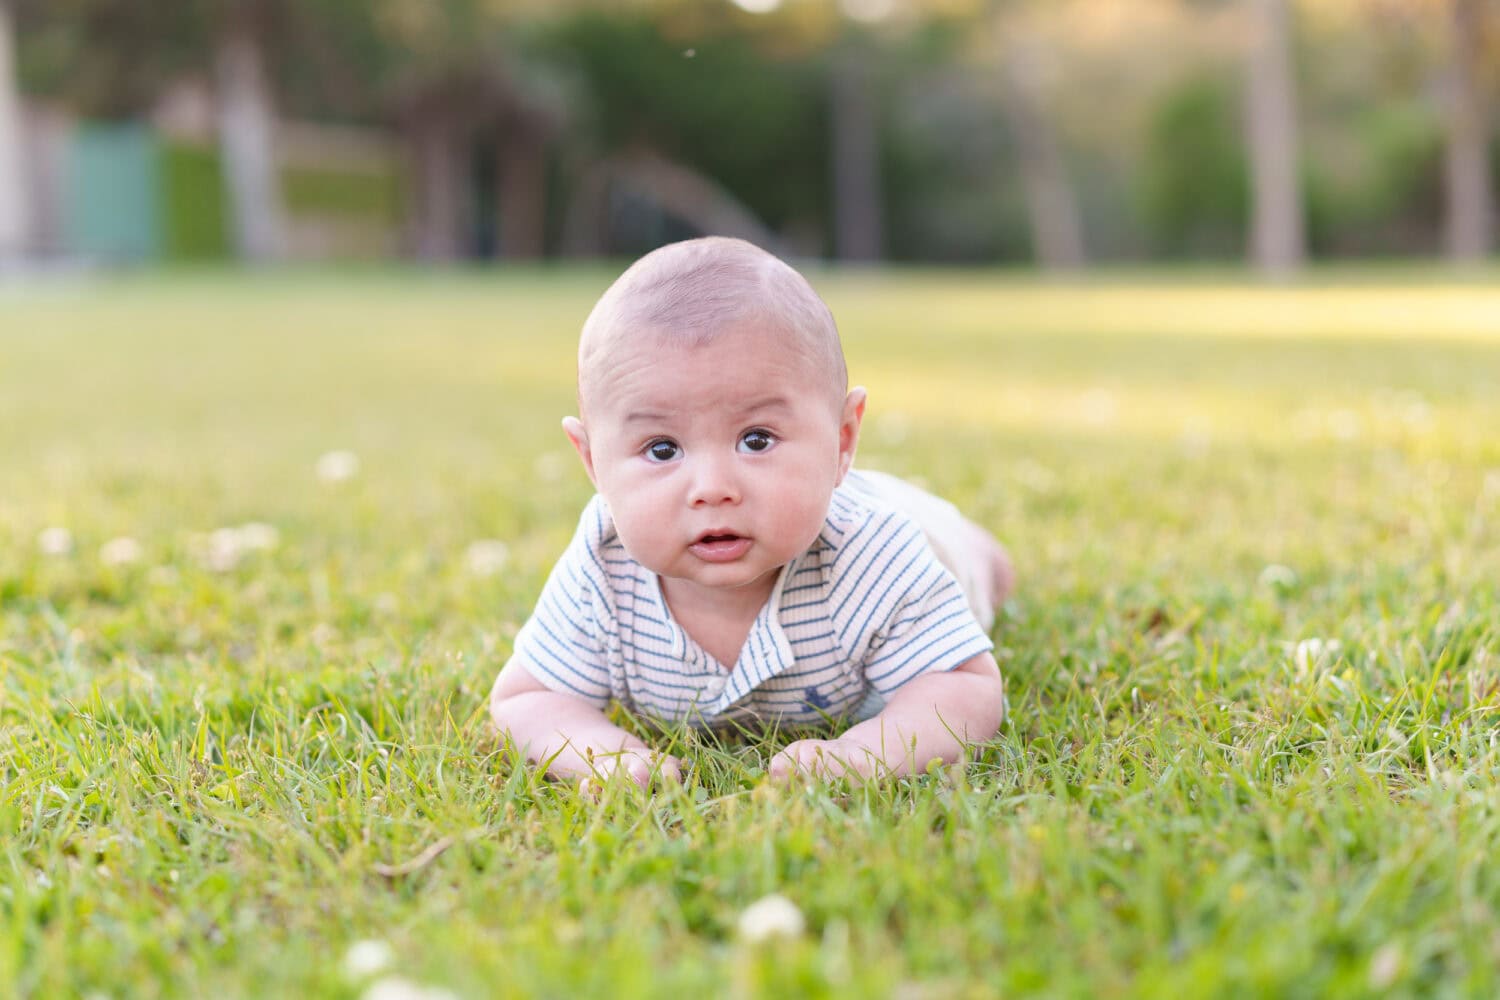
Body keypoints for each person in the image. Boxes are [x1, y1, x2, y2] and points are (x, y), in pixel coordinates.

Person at [489, 237, 1013, 785]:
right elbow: (529, 697)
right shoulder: (603, 567)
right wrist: (606, 757)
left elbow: (965, 687)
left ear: (841, 439)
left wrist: (862, 756)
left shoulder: (875, 555)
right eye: (662, 449)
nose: (713, 489)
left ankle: (976, 545)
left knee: (978, 563)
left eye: (756, 439)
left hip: (900, 522)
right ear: (593, 462)